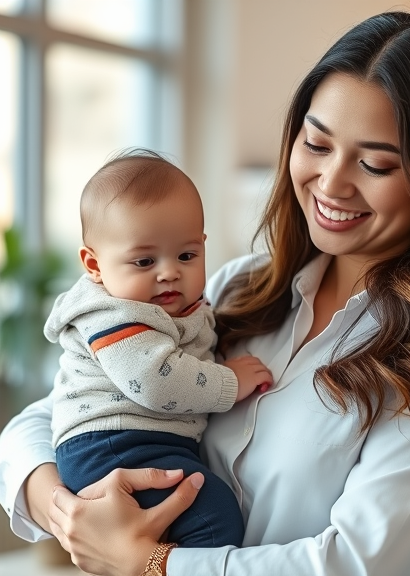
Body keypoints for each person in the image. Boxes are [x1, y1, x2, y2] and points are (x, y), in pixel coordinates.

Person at [0, 10, 410, 576]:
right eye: (316, 145)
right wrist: (68, 516)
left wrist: (149, 564)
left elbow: (357, 563)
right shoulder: (240, 288)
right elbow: (51, 417)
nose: (332, 182)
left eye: (374, 163)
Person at [42, 149, 272, 549]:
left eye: (187, 255)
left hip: (143, 441)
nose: (169, 272)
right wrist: (229, 381)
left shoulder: (182, 305)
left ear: (203, 245)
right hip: (111, 443)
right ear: (94, 265)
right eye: (145, 261)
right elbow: (155, 379)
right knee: (211, 514)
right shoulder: (114, 315)